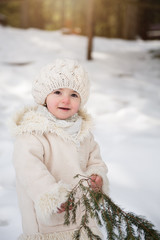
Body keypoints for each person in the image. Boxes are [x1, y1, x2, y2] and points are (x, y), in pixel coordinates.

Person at [12, 59, 109, 240]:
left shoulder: (84, 133)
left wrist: (97, 176)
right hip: (49, 225)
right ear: (44, 97)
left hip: (83, 219)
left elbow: (95, 160)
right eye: (57, 92)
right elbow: (28, 169)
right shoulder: (33, 132)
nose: (66, 100)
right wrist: (51, 194)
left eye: (74, 95)